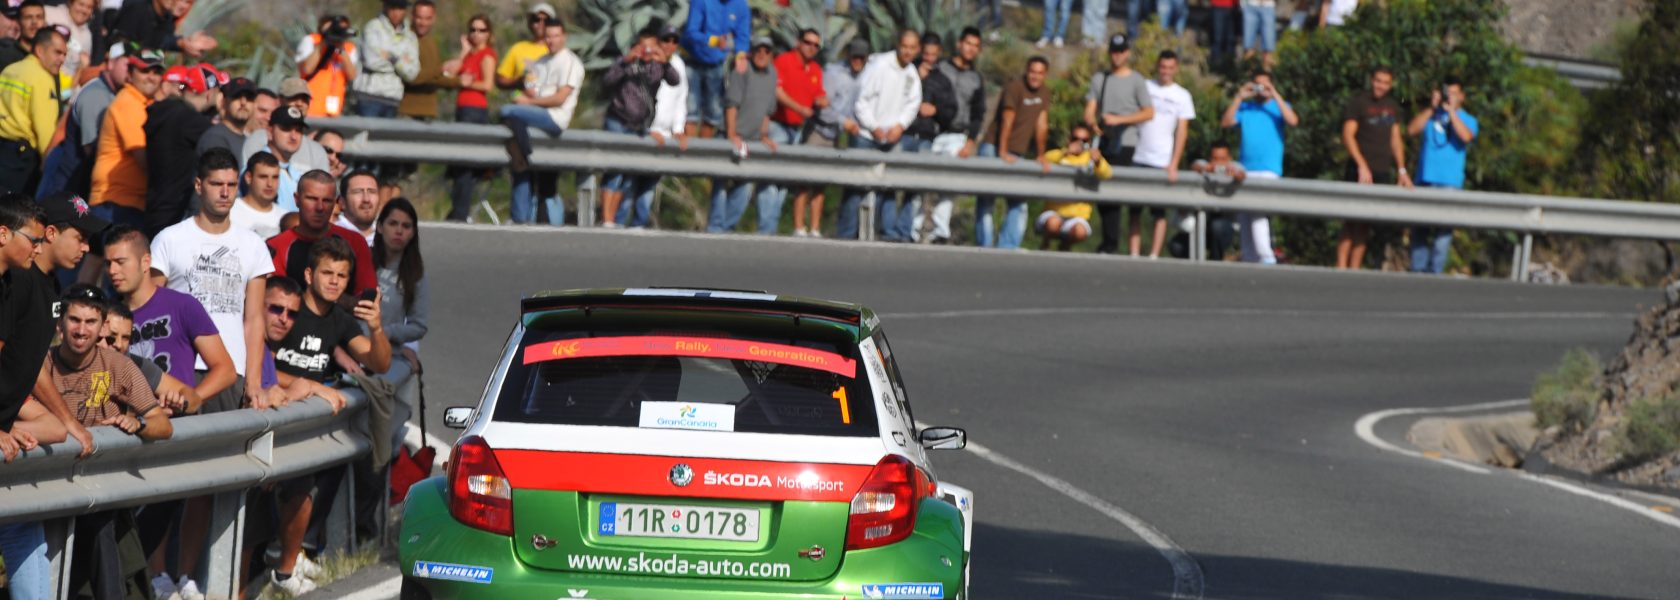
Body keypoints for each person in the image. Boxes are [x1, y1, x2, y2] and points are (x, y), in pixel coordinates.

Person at [267, 236, 387, 596]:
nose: (334, 281)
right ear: (309, 274)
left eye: (342, 275)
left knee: (330, 467)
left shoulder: (339, 320)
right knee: (294, 490)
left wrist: (377, 328)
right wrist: (311, 385)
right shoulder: (287, 311)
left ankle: (296, 554)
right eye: (327, 273)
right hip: (276, 416)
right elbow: (261, 365)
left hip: (313, 425)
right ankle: (281, 561)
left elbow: (379, 362)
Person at [51, 285, 173, 600]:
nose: (81, 330)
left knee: (101, 523)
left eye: (90, 322)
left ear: (103, 326)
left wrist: (138, 424)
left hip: (100, 485)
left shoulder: (117, 365)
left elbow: (162, 425)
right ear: (60, 323)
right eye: (74, 320)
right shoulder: (42, 364)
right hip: (49, 480)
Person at [150, 147, 273, 414]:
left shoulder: (253, 245)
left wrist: (253, 382)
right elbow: (150, 307)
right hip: (177, 368)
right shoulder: (169, 239)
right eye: (217, 184)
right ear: (199, 185)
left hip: (230, 372)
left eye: (231, 185)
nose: (225, 193)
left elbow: (254, 319)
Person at [841, 30, 921, 241]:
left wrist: (900, 126)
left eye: (912, 48)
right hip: (866, 136)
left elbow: (912, 105)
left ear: (917, 50)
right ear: (898, 45)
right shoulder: (879, 65)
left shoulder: (912, 74)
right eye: (905, 46)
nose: (908, 52)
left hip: (891, 138)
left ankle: (884, 234)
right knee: (856, 187)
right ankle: (846, 235)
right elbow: (861, 100)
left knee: (887, 186)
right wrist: (873, 127)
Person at [501, 19, 582, 226]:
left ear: (564, 37)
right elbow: (529, 88)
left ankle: (524, 153)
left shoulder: (570, 62)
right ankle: (520, 216)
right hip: (533, 114)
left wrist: (528, 102)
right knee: (517, 154)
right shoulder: (541, 61)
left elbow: (560, 98)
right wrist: (523, 95)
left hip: (554, 117)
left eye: (556, 36)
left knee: (508, 112)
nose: (551, 40)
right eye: (548, 36)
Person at [600, 27, 678, 227]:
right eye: (643, 47)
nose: (647, 51)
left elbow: (674, 80)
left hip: (638, 127)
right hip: (618, 120)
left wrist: (664, 62)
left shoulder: (657, 66)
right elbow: (607, 80)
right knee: (614, 169)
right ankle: (606, 219)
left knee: (626, 172)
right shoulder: (625, 62)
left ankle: (613, 219)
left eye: (651, 47)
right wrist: (626, 61)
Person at [1083, 33, 1153, 255]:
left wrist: (1120, 120)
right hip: (1105, 141)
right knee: (1103, 191)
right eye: (1114, 51)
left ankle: (1115, 243)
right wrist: (1093, 123)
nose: (1117, 56)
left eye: (1121, 52)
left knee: (1119, 191)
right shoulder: (1100, 78)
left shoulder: (1136, 80)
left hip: (1127, 143)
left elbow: (1148, 112)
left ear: (1127, 53)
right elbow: (1089, 109)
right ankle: (1108, 242)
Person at [34, 41, 131, 199]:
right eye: (127, 65)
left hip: (74, 179)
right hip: (65, 181)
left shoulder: (114, 93)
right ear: (111, 63)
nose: (131, 72)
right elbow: (91, 149)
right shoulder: (96, 94)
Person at [1220, 70, 1298, 264]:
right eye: (1258, 85)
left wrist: (1274, 93)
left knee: (1257, 212)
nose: (1261, 89)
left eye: (1265, 85)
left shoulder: (1278, 107)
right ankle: (1249, 258)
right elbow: (1226, 122)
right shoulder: (1246, 108)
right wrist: (1239, 96)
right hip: (1245, 169)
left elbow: (1293, 121)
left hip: (1268, 169)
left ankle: (1266, 257)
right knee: (1244, 216)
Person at [1337, 65, 1410, 270]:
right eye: (1378, 81)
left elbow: (1396, 139)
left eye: (1386, 83)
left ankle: (1354, 270)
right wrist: (1361, 164)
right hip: (1358, 170)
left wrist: (1402, 169)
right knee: (1350, 221)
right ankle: (1340, 268)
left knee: (1365, 223)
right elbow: (1348, 135)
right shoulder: (1359, 102)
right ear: (1372, 80)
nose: (1381, 86)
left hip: (1381, 171)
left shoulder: (1392, 106)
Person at [975, 55, 1051, 249]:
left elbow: (1041, 124)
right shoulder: (1014, 88)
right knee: (987, 199)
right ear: (1026, 71)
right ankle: (984, 246)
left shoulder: (1044, 92)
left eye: (1040, 73)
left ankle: (1007, 246)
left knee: (1018, 201)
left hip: (1017, 152)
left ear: (1045, 75)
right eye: (1032, 72)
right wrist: (1002, 151)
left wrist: (1041, 154)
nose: (1035, 76)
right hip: (993, 148)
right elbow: (1007, 119)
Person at [706, 36, 779, 234]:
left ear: (771, 55)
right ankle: (715, 227)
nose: (762, 54)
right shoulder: (742, 69)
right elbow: (732, 104)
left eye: (766, 51)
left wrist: (764, 135)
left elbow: (767, 110)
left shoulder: (773, 73)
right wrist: (731, 133)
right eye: (758, 50)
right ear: (751, 52)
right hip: (730, 135)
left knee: (746, 185)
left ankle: (727, 227)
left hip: (751, 139)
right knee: (721, 183)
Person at [922, 27, 987, 244]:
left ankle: (940, 232)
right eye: (968, 43)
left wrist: (970, 142)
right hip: (932, 132)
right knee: (921, 181)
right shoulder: (940, 67)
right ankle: (914, 228)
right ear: (959, 44)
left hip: (957, 136)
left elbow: (978, 114)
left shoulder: (976, 79)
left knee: (947, 184)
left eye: (975, 46)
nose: (971, 49)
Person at [1406, 78, 1477, 274]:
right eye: (1447, 93)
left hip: (1450, 183)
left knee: (1443, 233)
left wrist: (1451, 112)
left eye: (1454, 93)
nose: (1449, 97)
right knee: (1419, 229)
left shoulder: (1467, 119)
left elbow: (1466, 136)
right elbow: (1411, 130)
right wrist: (1432, 108)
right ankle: (1417, 271)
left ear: (1462, 96)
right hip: (1425, 180)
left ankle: (1435, 272)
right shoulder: (1431, 115)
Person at [267, 170, 377, 296]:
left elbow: (367, 298)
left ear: (335, 203)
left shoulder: (355, 242)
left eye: (326, 200)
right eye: (312, 199)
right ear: (297, 200)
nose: (319, 207)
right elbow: (275, 299)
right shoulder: (276, 246)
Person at [88, 45, 163, 227]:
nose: (151, 76)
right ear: (130, 74)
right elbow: (143, 156)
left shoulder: (147, 103)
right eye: (144, 71)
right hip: (115, 200)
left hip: (127, 200)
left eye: (156, 72)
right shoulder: (129, 101)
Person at [760, 27, 824, 235]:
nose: (811, 48)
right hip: (778, 125)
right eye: (808, 42)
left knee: (783, 182)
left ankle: (772, 228)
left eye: (816, 45)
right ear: (798, 42)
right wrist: (799, 108)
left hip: (797, 130)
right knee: (771, 180)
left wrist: (822, 101)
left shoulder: (815, 69)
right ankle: (766, 229)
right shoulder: (784, 61)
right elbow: (776, 91)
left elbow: (818, 94)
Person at [1131, 50, 1194, 258]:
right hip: (1139, 155)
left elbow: (1182, 131)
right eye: (1163, 67)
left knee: (1159, 212)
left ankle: (1154, 254)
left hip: (1162, 160)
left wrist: (1174, 163)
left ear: (1176, 69)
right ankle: (1134, 253)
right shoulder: (1145, 87)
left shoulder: (1182, 95)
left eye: (1170, 68)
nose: (1166, 71)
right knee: (1135, 210)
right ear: (1157, 67)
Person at [142, 63, 218, 236]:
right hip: (175, 211)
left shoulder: (164, 112)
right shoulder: (190, 121)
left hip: (156, 204)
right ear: (209, 94)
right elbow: (218, 139)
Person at [371, 198, 425, 440]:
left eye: (406, 226)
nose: (399, 231)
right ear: (380, 226)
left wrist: (387, 333)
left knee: (386, 434)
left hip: (389, 357)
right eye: (393, 223)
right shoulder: (362, 259)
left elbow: (419, 325)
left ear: (412, 233)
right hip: (353, 354)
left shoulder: (416, 274)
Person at [806, 39, 870, 237]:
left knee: (821, 184)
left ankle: (814, 228)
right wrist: (844, 122)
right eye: (855, 56)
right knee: (803, 181)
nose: (858, 61)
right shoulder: (833, 74)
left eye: (862, 57)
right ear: (848, 55)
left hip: (835, 136)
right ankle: (799, 227)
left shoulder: (861, 77)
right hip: (818, 131)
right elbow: (822, 108)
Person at [894, 32, 951, 243]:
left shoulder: (942, 80)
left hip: (925, 137)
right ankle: (888, 229)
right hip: (902, 133)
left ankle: (904, 231)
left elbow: (950, 110)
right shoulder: (906, 72)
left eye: (933, 55)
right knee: (891, 183)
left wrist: (935, 110)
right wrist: (918, 79)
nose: (929, 58)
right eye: (926, 54)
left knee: (914, 187)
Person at [0, 27, 65, 194]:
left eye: (65, 54)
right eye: (57, 52)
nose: (62, 59)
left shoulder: (11, 69)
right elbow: (46, 133)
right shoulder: (42, 78)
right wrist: (50, 166)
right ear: (40, 50)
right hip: (20, 161)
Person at [445, 13, 494, 222]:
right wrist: (464, 51)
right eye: (473, 30)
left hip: (475, 110)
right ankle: (457, 209)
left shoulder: (487, 55)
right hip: (462, 109)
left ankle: (460, 212)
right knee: (459, 163)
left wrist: (468, 83)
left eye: (481, 30)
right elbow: (449, 71)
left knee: (465, 163)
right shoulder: (469, 55)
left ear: (489, 33)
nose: (476, 34)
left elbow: (487, 84)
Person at [681, 0, 751, 140]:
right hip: (692, 60)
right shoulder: (700, 2)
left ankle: (703, 150)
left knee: (713, 112)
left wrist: (741, 55)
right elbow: (691, 32)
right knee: (690, 110)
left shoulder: (741, 5)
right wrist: (713, 41)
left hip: (716, 64)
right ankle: (690, 150)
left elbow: (743, 36)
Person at [1036, 124, 1111, 251]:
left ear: (1089, 142)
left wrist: (1098, 161)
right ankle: (1045, 243)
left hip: (1078, 215)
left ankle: (1065, 246)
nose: (1079, 143)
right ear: (1069, 139)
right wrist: (1066, 152)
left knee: (1079, 232)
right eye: (1075, 139)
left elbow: (1106, 173)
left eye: (1084, 140)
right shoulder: (1061, 154)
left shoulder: (1091, 159)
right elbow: (1045, 158)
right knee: (1053, 223)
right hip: (1054, 211)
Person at [241, 106, 321, 215]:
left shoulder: (296, 174)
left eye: (298, 130)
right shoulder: (256, 169)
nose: (293, 136)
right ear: (270, 132)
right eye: (286, 129)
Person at [351, 0, 418, 118]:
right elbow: (371, 61)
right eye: (393, 7)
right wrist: (401, 61)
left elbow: (412, 72)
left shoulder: (410, 37)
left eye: (400, 8)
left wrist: (390, 57)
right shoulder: (373, 28)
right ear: (385, 7)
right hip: (369, 96)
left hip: (393, 98)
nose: (396, 12)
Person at [1187, 141, 1245, 259]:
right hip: (1204, 222)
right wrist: (1206, 169)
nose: (1219, 164)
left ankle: (1215, 262)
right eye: (1215, 159)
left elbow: (1242, 174)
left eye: (1222, 159)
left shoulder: (1234, 167)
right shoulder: (1206, 167)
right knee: (1177, 246)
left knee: (1217, 227)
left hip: (1226, 224)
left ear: (1229, 158)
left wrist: (1234, 175)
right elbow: (1195, 166)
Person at [396, 0, 452, 121]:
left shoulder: (432, 43)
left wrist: (461, 81)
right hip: (407, 112)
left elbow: (435, 78)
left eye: (428, 18)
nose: (423, 23)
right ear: (412, 16)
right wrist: (441, 69)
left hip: (428, 113)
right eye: (419, 18)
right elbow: (412, 78)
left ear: (434, 19)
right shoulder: (405, 40)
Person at [103, 0, 216, 59]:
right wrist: (180, 43)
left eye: (188, 2)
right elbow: (146, 41)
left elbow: (159, 39)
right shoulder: (137, 7)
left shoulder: (167, 19)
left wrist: (182, 43)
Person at [296, 14, 359, 117]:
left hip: (333, 111)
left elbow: (352, 76)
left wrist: (341, 48)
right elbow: (307, 69)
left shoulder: (349, 48)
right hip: (310, 107)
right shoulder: (311, 40)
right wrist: (324, 42)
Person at [492, 3, 553, 91]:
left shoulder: (558, 51)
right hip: (522, 98)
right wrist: (517, 82)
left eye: (546, 20)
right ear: (530, 23)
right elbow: (500, 79)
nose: (541, 23)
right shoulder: (518, 48)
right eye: (536, 19)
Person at [196, 75, 254, 158]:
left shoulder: (249, 140)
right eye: (236, 97)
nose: (243, 102)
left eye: (249, 97)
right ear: (224, 102)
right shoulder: (215, 138)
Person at [42, 0, 94, 81]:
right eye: (81, 4)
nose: (84, 10)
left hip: (67, 84)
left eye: (89, 7)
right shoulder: (50, 13)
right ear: (71, 3)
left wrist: (83, 66)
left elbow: (82, 69)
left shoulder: (87, 36)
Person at [334, 169, 379, 244]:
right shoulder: (331, 235)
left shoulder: (389, 237)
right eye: (357, 192)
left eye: (372, 192)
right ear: (342, 202)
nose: (366, 199)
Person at [0, 0, 45, 70]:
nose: (34, 22)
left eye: (39, 17)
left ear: (45, 22)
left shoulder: (49, 56)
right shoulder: (5, 54)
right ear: (19, 22)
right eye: (28, 17)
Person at [1241, 0, 1277, 69]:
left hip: (1268, 5)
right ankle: (1248, 71)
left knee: (1268, 45)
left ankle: (1266, 72)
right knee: (1248, 46)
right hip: (1251, 5)